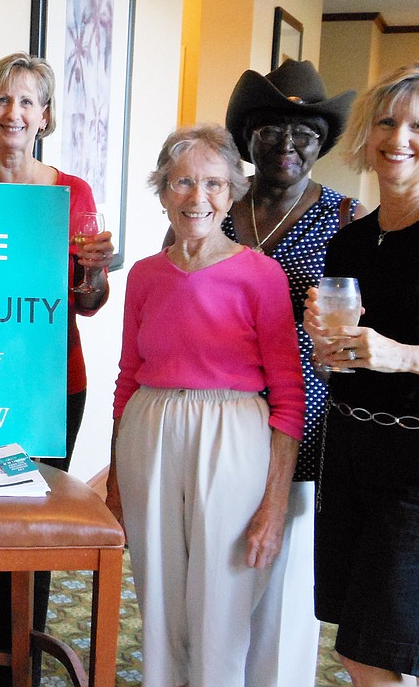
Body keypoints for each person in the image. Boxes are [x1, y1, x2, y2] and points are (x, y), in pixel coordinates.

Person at [106, 124, 305, 686]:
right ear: (162, 190)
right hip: (151, 428)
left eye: (214, 184)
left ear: (233, 193)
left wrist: (273, 504)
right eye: (183, 182)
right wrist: (116, 480)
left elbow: (290, 395)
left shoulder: (261, 275)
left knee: (222, 596)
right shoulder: (144, 275)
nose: (198, 198)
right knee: (159, 591)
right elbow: (126, 377)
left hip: (234, 434)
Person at [0, 52, 114, 687]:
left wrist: (96, 269)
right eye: (2, 99)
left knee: (31, 530)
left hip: (52, 384)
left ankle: (19, 666)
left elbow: (88, 305)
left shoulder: (73, 194)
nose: (14, 112)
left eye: (28, 102)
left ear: (45, 117)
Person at [305, 63, 419, 687]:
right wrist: (331, 348)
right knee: (355, 648)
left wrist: (401, 355)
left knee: (383, 653)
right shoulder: (350, 240)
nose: (398, 137)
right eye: (386, 120)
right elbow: (348, 352)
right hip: (352, 448)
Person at [222, 59, 363, 687]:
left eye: (305, 131)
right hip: (220, 408)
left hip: (303, 413)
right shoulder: (220, 206)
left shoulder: (346, 218)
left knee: (285, 567)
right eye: (273, 128)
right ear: (249, 137)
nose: (288, 143)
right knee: (225, 554)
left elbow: (367, 320)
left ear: (322, 142)